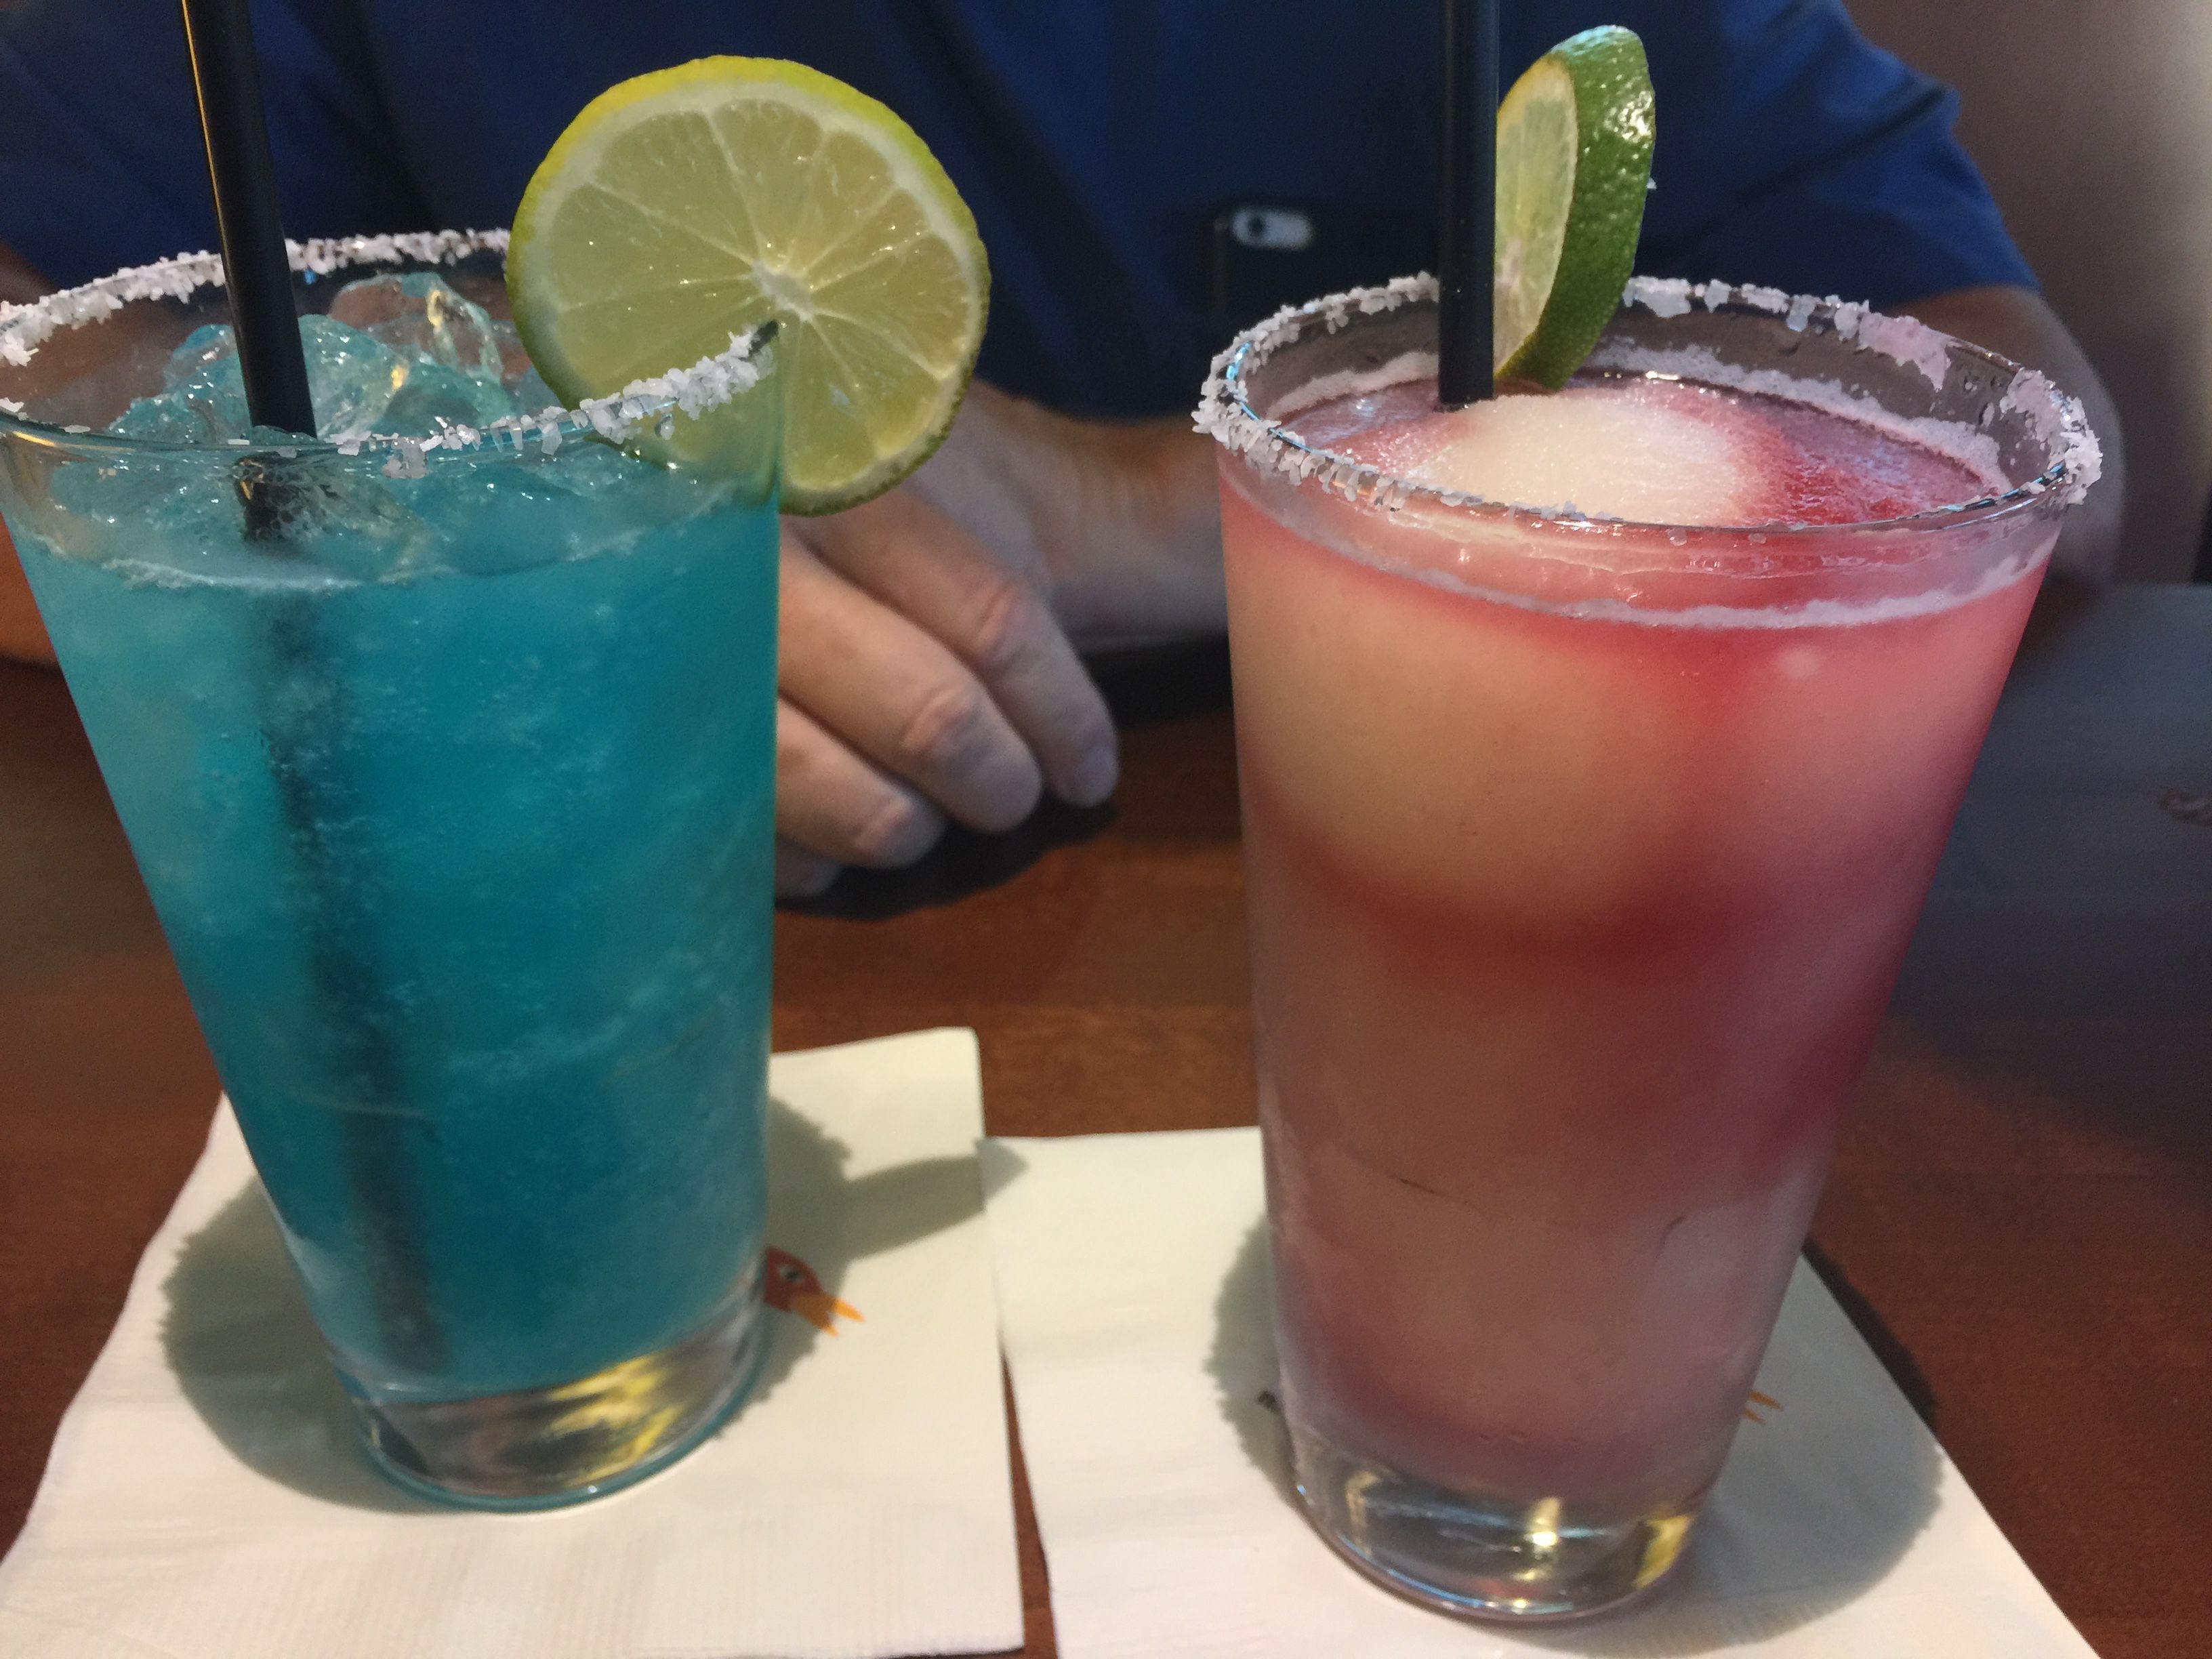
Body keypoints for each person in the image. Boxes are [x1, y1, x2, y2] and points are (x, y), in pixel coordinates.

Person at [0, 0, 2125, 895]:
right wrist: (449, 566)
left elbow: (2031, 440)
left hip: (1411, 939)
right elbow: (55, 366)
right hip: (562, 945)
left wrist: (1177, 511)